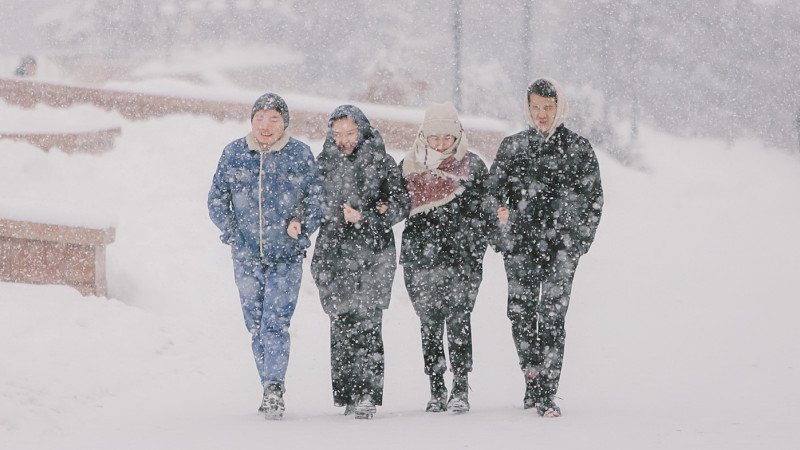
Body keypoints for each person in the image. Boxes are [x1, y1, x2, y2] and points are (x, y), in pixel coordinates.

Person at [487, 77, 603, 417]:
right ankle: (532, 376)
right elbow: (493, 192)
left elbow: (593, 198)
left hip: (562, 248)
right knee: (521, 313)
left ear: (559, 108)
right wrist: (501, 221)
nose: (541, 114)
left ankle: (548, 391)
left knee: (552, 316)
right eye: (536, 107)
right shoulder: (513, 147)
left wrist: (579, 241)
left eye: (548, 107)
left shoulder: (578, 149)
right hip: (520, 245)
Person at [208, 93, 324, 420]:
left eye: (274, 119)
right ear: (252, 120)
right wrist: (232, 232)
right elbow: (216, 199)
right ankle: (266, 383)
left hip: (286, 256)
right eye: (260, 118)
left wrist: (299, 224)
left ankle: (274, 386)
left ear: (285, 122)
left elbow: (316, 199)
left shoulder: (299, 155)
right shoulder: (234, 153)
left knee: (275, 323)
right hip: (246, 256)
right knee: (255, 324)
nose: (266, 125)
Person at [311, 105, 410, 420]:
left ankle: (367, 392)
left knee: (368, 325)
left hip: (373, 255)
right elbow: (310, 202)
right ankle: (347, 394)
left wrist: (367, 217)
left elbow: (400, 204)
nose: (344, 140)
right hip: (334, 255)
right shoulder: (323, 164)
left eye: (350, 133)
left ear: (363, 130)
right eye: (337, 134)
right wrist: (320, 216)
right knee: (341, 324)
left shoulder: (382, 163)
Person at [400, 102, 490, 413]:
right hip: (419, 260)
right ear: (424, 136)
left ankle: (461, 386)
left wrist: (474, 249)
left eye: (447, 138)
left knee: (459, 321)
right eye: (434, 138)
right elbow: (395, 208)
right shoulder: (410, 166)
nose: (441, 144)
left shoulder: (473, 167)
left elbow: (487, 213)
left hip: (462, 260)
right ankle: (436, 386)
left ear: (458, 136)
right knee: (428, 323)